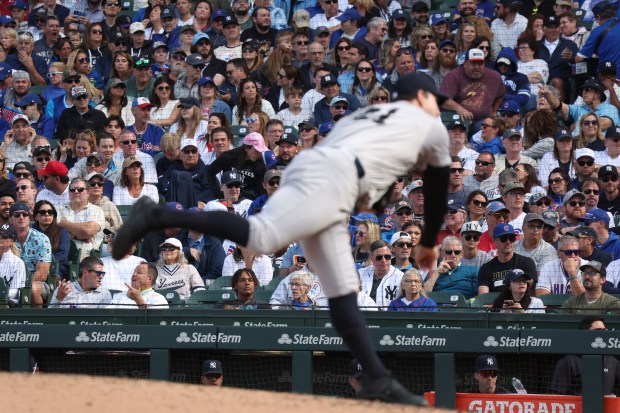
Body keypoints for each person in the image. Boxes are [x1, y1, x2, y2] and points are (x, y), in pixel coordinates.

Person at [112, 72, 451, 405]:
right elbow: (432, 186)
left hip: (328, 182)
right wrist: (430, 240)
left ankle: (376, 376)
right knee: (262, 237)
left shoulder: (379, 115)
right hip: (328, 177)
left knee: (342, 292)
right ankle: (160, 216)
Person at [550, 316, 620, 395]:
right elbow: (557, 395)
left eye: (604, 330)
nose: (603, 333)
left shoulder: (611, 360)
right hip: (577, 406)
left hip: (605, 406)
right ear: (585, 333)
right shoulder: (569, 361)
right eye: (599, 330)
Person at [478, 224, 538, 294]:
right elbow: (483, 297)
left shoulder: (526, 263)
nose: (508, 242)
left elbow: (528, 291)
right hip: (496, 304)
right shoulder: (486, 268)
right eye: (503, 238)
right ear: (495, 242)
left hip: (521, 304)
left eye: (511, 238)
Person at [32, 200, 70, 279]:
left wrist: (44, 262)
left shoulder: (62, 231)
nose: (47, 214)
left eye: (50, 212)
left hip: (57, 267)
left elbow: (63, 253)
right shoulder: (31, 231)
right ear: (36, 216)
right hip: (33, 265)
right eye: (43, 212)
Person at [0, 223, 26, 306]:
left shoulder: (18, 263)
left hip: (8, 304)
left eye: (5, 236)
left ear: (12, 241)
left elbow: (14, 292)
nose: (0, 238)